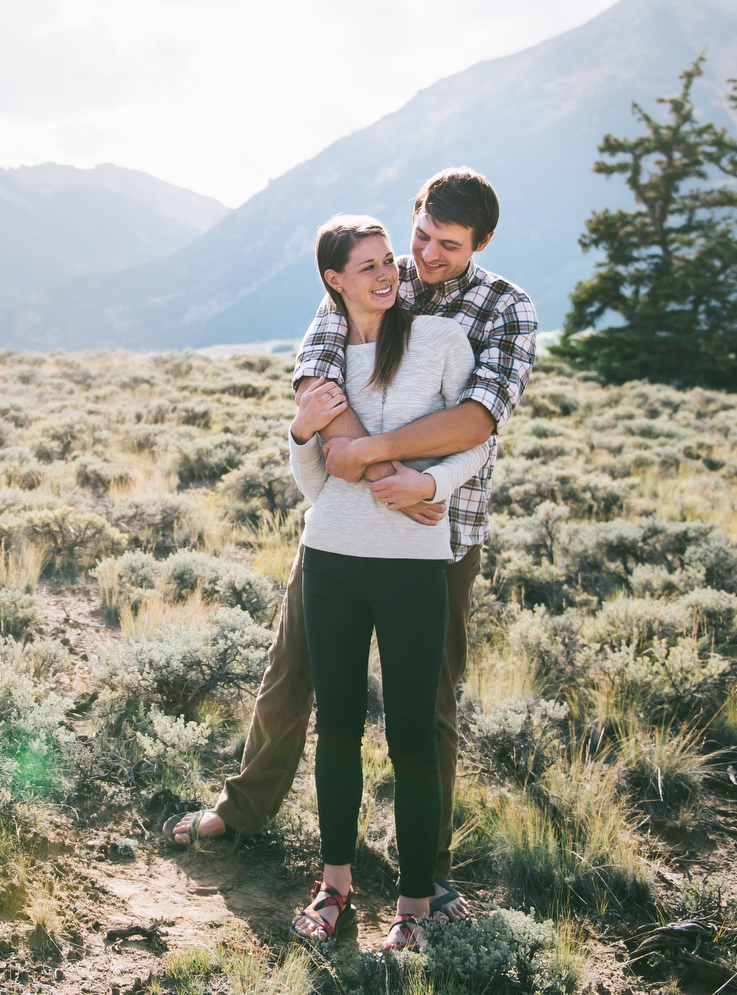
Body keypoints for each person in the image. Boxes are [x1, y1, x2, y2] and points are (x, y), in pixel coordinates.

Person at [166, 167, 538, 925]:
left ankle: (426, 875)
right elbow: (314, 377)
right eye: (422, 237)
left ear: (483, 243)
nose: (425, 259)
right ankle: (245, 811)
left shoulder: (506, 308)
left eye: (448, 246)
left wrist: (388, 464)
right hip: (341, 531)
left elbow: (477, 419)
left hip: (441, 532)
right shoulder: (372, 273)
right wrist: (364, 466)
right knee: (288, 677)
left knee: (427, 708)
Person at [280, 214, 491, 952]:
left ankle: (412, 905)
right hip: (332, 558)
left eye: (386, 261)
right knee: (336, 726)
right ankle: (334, 885)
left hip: (414, 564)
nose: (386, 272)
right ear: (335, 281)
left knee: (411, 738)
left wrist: (429, 488)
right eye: (365, 266)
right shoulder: (322, 362)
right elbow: (315, 483)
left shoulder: (439, 341)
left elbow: (476, 437)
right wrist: (302, 433)